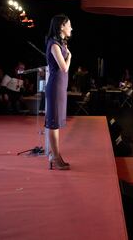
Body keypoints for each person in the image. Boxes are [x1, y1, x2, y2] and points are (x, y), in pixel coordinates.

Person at [45, 14, 73, 170]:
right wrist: (69, 56)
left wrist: (67, 52)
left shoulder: (60, 44)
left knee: (56, 122)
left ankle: (54, 154)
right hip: (55, 87)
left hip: (60, 87)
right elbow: (64, 68)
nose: (71, 28)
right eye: (69, 25)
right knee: (53, 123)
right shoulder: (54, 44)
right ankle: (55, 157)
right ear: (62, 26)